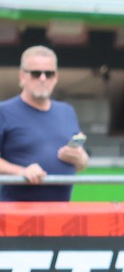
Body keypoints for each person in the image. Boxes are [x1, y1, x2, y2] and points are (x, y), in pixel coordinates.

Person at [0, 46, 89, 202]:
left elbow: (82, 163)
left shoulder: (66, 111)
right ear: (22, 76)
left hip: (60, 215)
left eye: (49, 74)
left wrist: (79, 158)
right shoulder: (4, 111)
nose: (43, 79)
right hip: (17, 216)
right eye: (36, 73)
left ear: (56, 77)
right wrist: (21, 171)